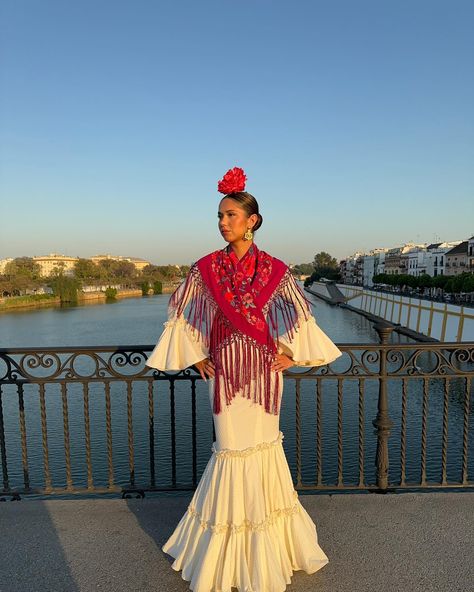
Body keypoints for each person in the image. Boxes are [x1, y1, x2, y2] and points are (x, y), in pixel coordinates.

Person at [145, 166, 343, 592]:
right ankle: (226, 554)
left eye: (230, 215)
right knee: (231, 451)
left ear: (252, 220)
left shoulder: (275, 268)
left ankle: (268, 550)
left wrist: (292, 352)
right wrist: (195, 354)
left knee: (264, 450)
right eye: (219, 216)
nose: (222, 223)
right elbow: (182, 310)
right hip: (226, 376)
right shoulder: (205, 269)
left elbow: (298, 311)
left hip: (266, 376)